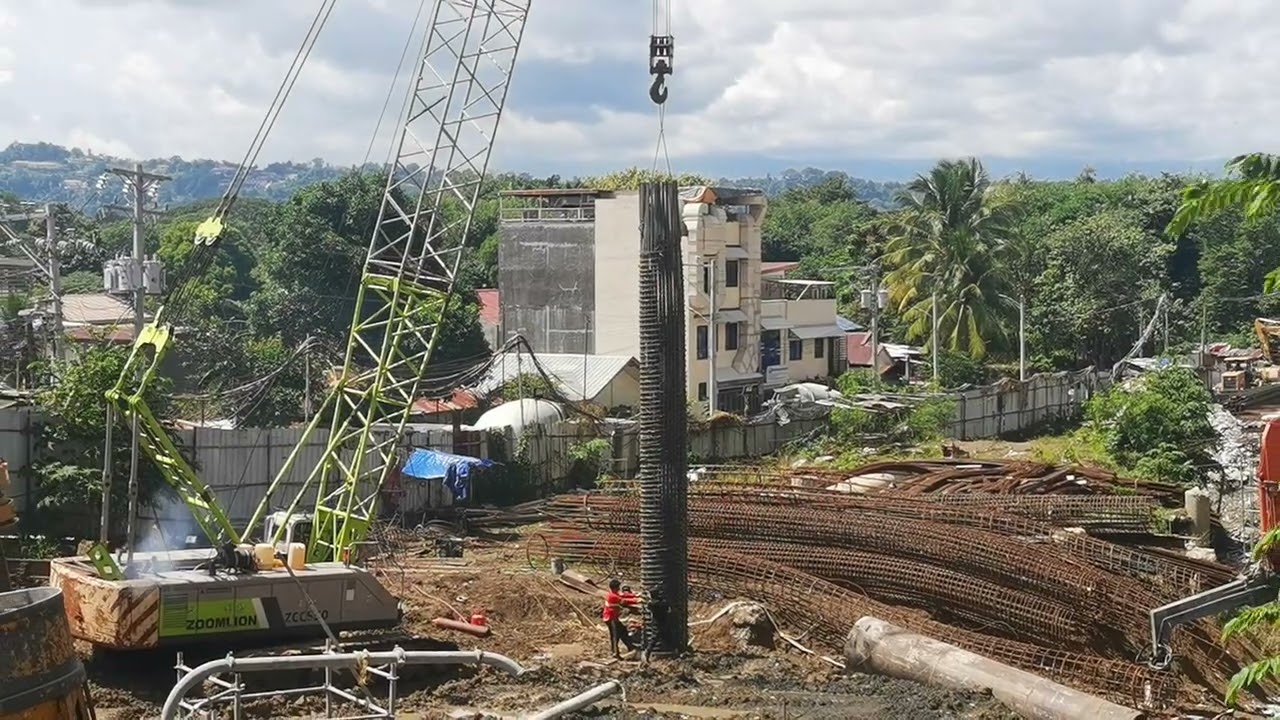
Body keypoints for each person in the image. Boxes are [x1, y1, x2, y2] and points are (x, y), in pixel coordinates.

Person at [603, 578, 638, 657]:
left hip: (614, 618)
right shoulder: (612, 596)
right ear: (614, 588)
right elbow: (623, 601)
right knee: (615, 635)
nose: (619, 589)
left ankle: (631, 647)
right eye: (618, 588)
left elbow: (623, 595)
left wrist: (635, 595)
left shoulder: (614, 594)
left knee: (623, 631)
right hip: (610, 618)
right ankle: (615, 653)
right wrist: (637, 600)